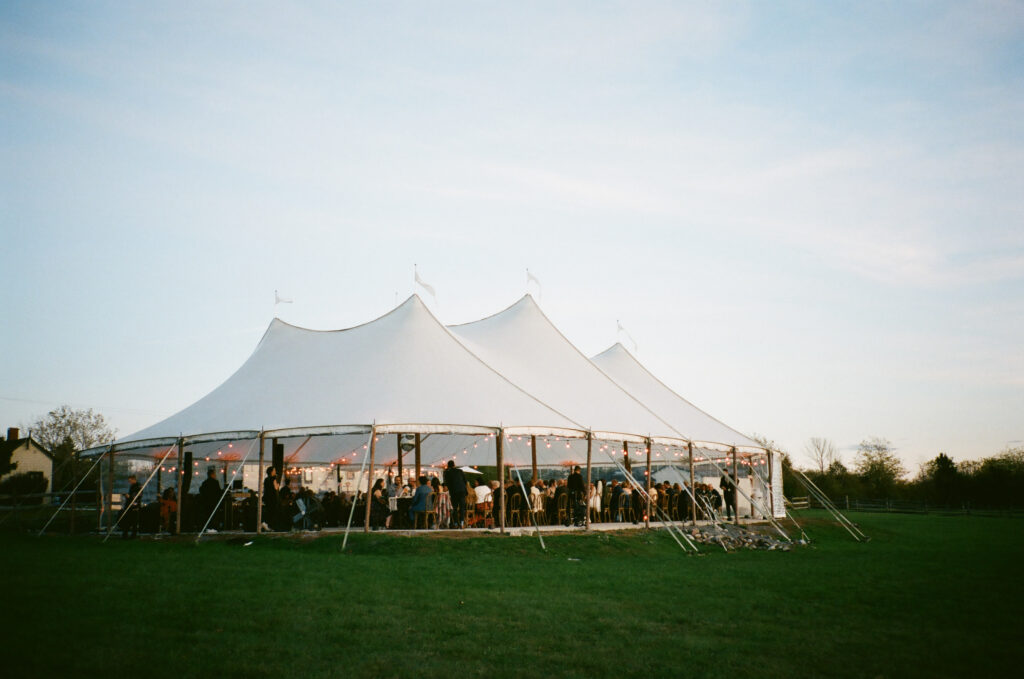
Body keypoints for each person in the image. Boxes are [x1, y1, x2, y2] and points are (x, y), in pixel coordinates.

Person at [443, 461, 468, 529]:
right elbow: (465, 481)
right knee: (462, 508)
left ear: (448, 466)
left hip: (454, 491)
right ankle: (462, 523)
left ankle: (456, 524)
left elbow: (446, 483)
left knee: (454, 508)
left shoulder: (446, 472)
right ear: (454, 465)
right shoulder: (460, 471)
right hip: (462, 491)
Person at [122, 474, 142, 538]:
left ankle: (133, 535)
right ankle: (126, 534)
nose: (129, 482)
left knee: (134, 521)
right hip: (130, 505)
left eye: (130, 480)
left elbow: (136, 496)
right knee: (128, 520)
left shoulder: (138, 486)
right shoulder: (133, 486)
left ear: (134, 479)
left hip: (134, 506)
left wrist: (129, 497)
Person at [262, 466, 280, 531]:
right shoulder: (274, 479)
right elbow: (276, 488)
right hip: (273, 499)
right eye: (274, 470)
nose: (275, 472)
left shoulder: (266, 479)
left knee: (269, 512)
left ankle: (268, 525)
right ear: (272, 472)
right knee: (273, 513)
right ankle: (272, 526)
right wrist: (277, 484)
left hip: (268, 499)